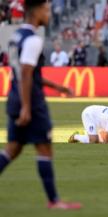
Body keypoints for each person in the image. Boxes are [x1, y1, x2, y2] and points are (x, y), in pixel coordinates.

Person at [0, 0, 82, 210]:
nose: (49, 13)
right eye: (46, 9)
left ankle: (54, 200)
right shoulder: (33, 40)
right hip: (31, 102)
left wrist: (58, 87)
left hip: (14, 96)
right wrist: (27, 107)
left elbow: (28, 73)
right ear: (36, 11)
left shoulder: (16, 36)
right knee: (44, 147)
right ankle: (54, 201)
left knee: (13, 149)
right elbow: (27, 73)